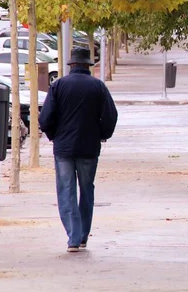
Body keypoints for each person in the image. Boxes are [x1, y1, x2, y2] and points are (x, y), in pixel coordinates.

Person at [39, 47, 118, 253]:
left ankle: (73, 237)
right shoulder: (98, 87)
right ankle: (83, 236)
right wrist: (103, 134)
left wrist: (53, 135)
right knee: (86, 189)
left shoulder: (58, 86)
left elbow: (45, 118)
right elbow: (110, 115)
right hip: (89, 147)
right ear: (88, 66)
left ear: (71, 65)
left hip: (64, 148)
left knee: (66, 191)